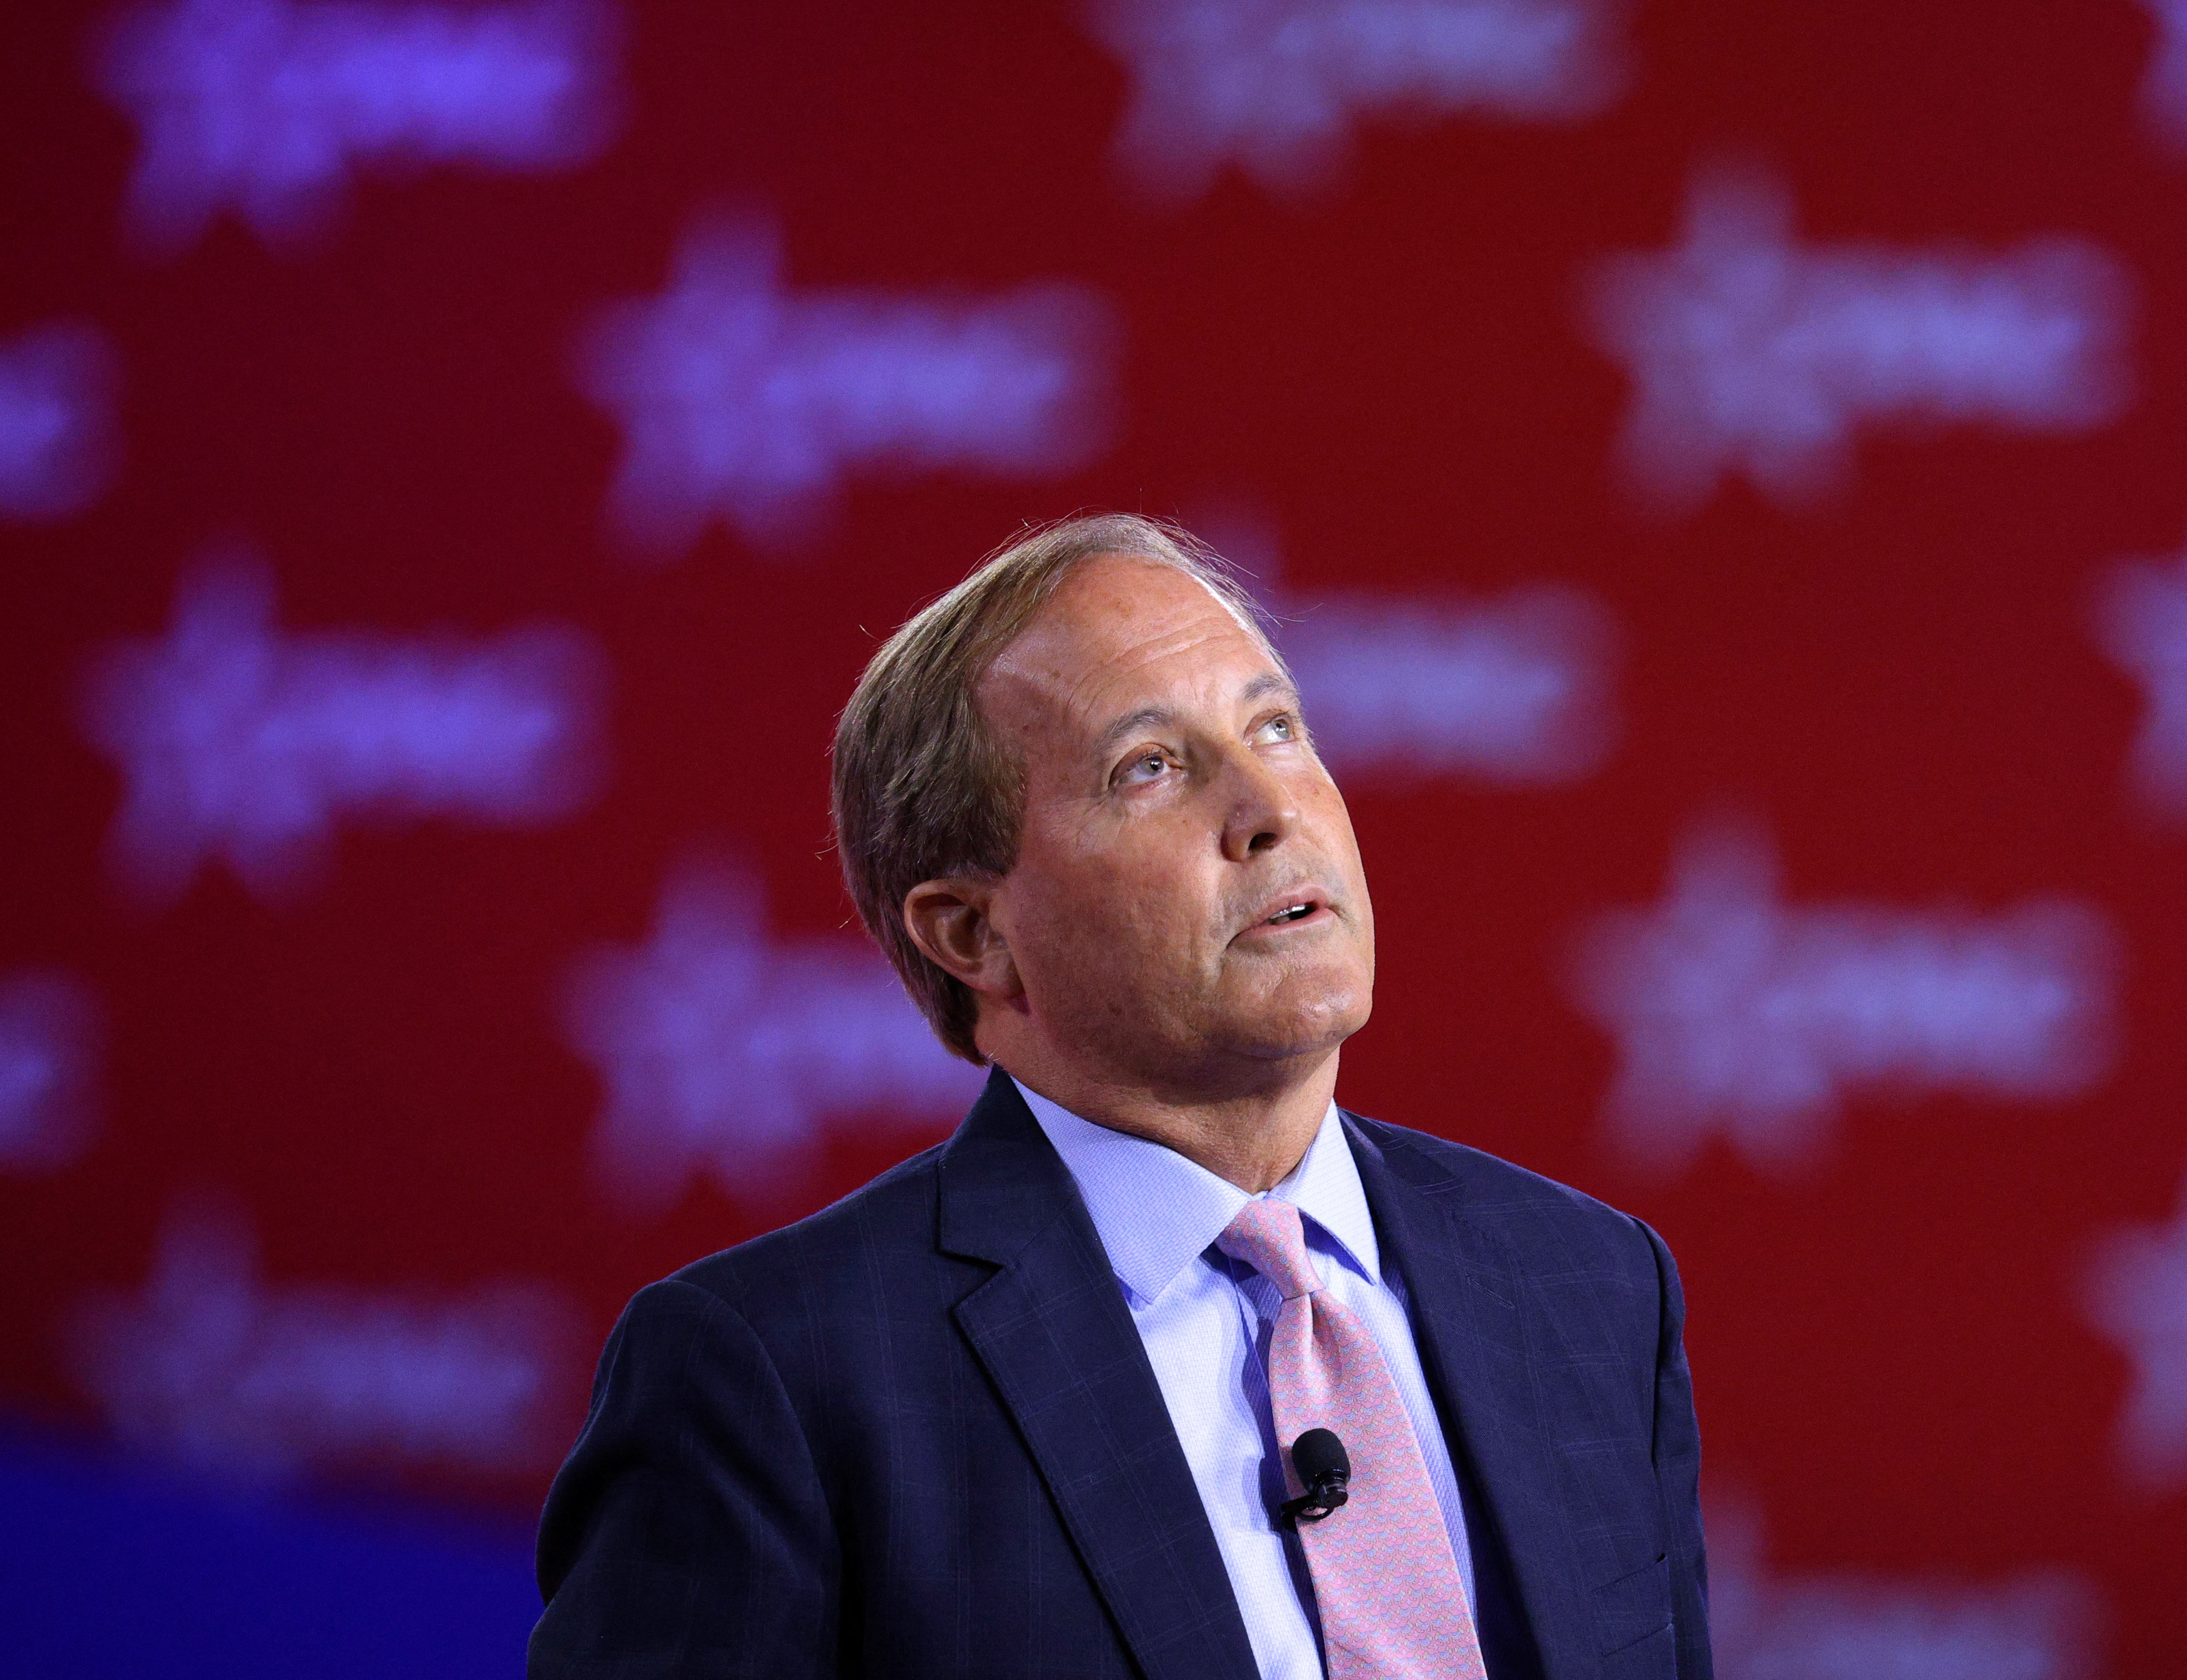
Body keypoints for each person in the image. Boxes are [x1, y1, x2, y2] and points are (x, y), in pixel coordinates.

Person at [530, 514, 1712, 1680]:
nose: (1270, 810)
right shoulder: (778, 1380)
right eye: (1150, 767)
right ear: (975, 933)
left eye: (1278, 727)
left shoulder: (1589, 1284)